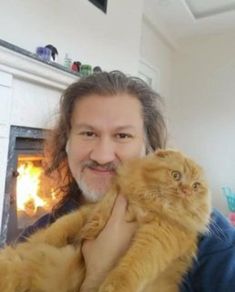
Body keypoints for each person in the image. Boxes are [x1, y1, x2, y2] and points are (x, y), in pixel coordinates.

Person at [18, 71, 235, 291]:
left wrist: (105, 275)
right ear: (67, 143)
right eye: (88, 133)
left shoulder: (211, 237)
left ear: (148, 148)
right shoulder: (37, 234)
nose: (102, 156)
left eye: (123, 136)